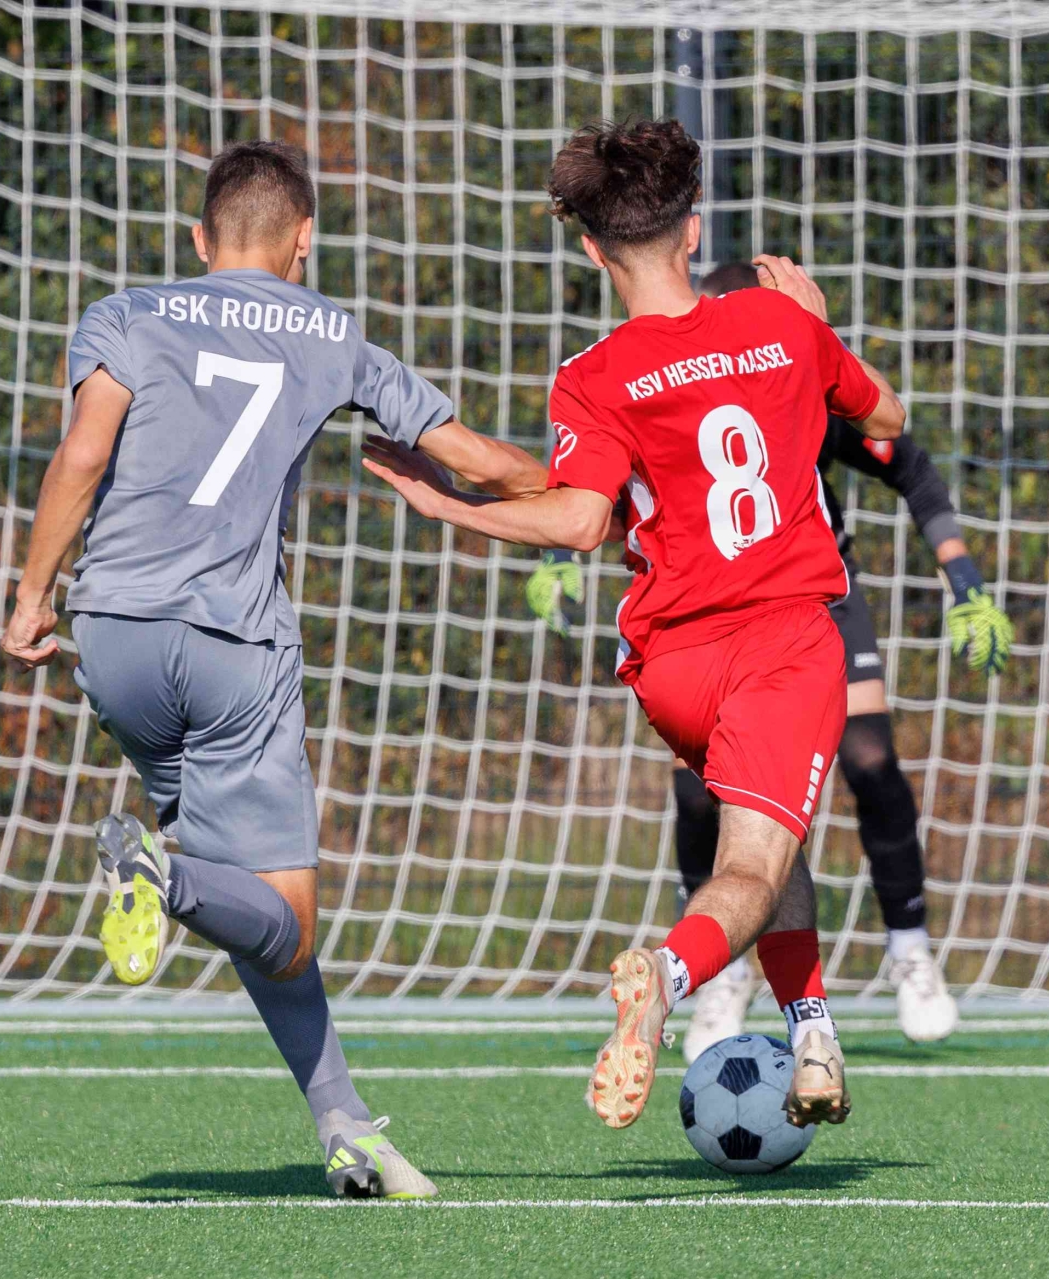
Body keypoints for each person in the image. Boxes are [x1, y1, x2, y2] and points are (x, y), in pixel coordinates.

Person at [0, 140, 547, 1198]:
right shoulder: (331, 334)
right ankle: (157, 873)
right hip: (233, 650)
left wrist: (31, 595)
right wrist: (584, 490)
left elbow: (83, 453)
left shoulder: (125, 314)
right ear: (304, 240)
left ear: (201, 239)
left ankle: (344, 1124)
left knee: (244, 904)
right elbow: (477, 460)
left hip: (111, 636)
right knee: (284, 926)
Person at [361, 118, 905, 1132]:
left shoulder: (594, 373)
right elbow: (888, 420)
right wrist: (822, 328)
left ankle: (813, 1035)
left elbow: (579, 519)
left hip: (670, 666)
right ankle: (665, 974)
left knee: (769, 834)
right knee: (750, 866)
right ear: (692, 231)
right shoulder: (782, 323)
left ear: (591, 250)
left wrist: (451, 506)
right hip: (783, 640)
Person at [529, 264, 1013, 1056]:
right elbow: (608, 489)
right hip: (710, 612)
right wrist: (560, 556)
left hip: (814, 597)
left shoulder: (786, 370)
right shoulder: (669, 388)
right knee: (703, 798)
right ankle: (719, 967)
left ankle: (909, 946)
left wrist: (965, 581)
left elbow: (909, 464)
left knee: (871, 757)